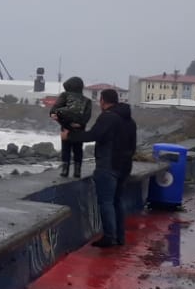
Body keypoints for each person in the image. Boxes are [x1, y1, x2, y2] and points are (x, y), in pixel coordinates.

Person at [64, 88, 137, 247]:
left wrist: (69, 135)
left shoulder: (108, 117)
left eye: (100, 100)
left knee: (106, 202)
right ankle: (120, 237)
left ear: (103, 101)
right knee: (117, 201)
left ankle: (109, 237)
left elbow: (93, 135)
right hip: (124, 167)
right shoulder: (129, 121)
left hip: (108, 166)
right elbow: (132, 146)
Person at [49, 77, 93, 177]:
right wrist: (80, 124)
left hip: (65, 127)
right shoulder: (87, 100)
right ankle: (77, 171)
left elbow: (54, 110)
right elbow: (87, 116)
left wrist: (61, 121)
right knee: (78, 149)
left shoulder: (65, 95)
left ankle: (65, 170)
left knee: (66, 148)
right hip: (79, 128)